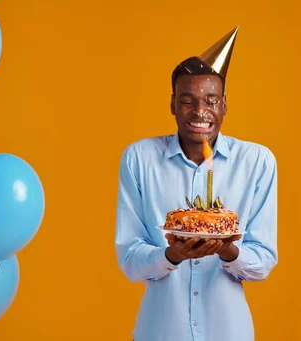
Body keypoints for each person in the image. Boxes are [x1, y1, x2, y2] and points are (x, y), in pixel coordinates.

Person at [114, 27, 278, 341]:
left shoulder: (258, 162)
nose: (200, 112)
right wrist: (170, 255)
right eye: (188, 101)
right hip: (160, 331)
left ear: (224, 106)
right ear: (173, 104)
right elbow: (131, 260)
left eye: (211, 101)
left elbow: (263, 260)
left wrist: (229, 251)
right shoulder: (140, 159)